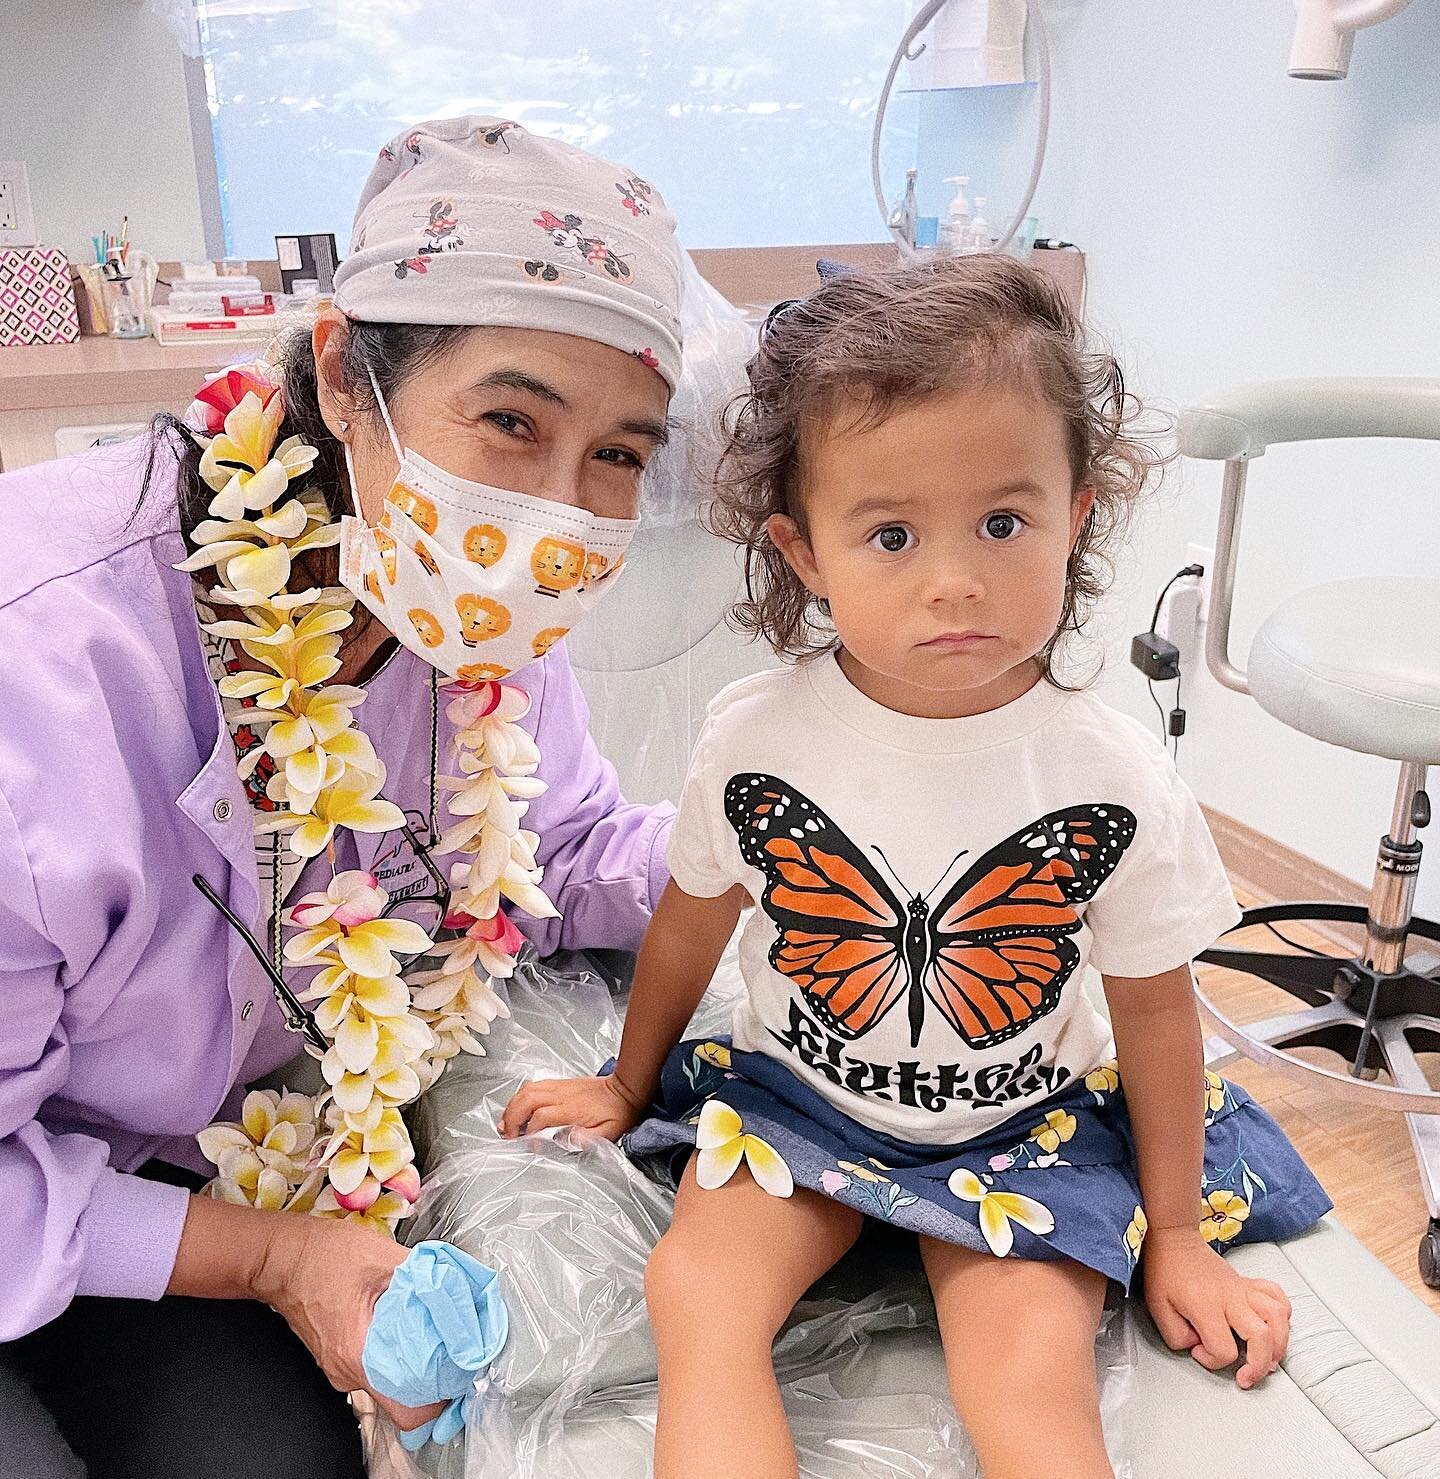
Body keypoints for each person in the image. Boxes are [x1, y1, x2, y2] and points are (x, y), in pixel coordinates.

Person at [501, 254, 1333, 1479]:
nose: (955, 579)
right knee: (697, 1295)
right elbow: (685, 926)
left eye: (1004, 522)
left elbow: (1157, 1017)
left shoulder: (1107, 775)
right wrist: (628, 1085)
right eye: (891, 533)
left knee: (1028, 1380)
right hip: (803, 1101)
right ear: (804, 553)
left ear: (1079, 512)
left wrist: (1176, 1237)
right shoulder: (758, 738)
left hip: (1019, 1131)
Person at [0, 116, 686, 1479]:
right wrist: (271, 1256)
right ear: (343, 373)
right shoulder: (45, 665)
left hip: (164, 1178)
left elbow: (566, 851)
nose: (557, 513)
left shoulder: (470, 638)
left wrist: (801, 846)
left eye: (616, 452)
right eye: (510, 420)